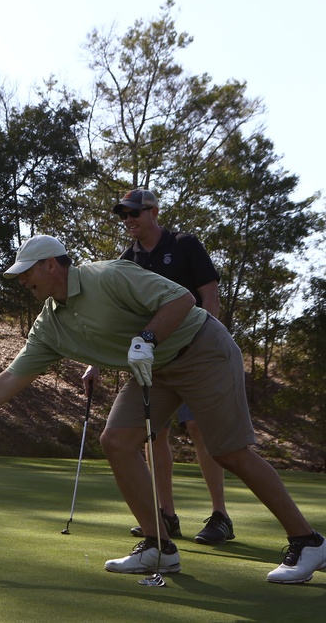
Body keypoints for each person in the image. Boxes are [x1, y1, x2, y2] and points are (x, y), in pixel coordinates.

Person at [0, 234, 326, 584]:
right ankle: (159, 545)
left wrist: (147, 337)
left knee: (228, 451)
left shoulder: (109, 275)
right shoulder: (49, 324)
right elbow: (11, 378)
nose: (22, 280)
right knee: (116, 440)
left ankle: (308, 542)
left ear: (50, 266)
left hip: (203, 349)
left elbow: (182, 298)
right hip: (156, 368)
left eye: (27, 271)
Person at [84, 187, 233, 546]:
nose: (128, 220)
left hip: (194, 354)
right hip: (154, 359)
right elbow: (113, 316)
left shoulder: (185, 244)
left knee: (199, 428)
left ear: (153, 212)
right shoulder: (128, 259)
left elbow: (209, 295)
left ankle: (220, 516)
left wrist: (204, 342)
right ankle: (166, 514)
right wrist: (95, 364)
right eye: (123, 215)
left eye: (134, 213)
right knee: (155, 433)